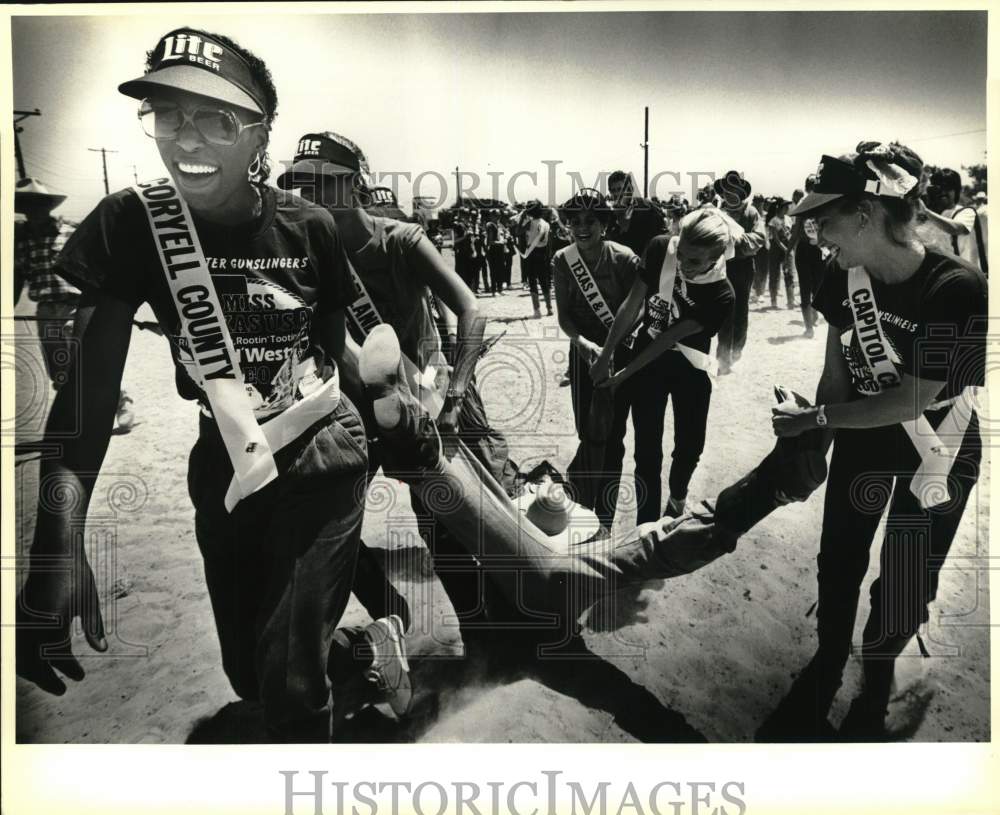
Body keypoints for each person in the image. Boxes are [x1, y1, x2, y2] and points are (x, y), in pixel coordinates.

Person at [14, 28, 409, 742]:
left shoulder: (309, 226)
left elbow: (335, 348)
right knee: (249, 674)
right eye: (169, 115)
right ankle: (365, 645)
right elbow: (88, 398)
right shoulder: (133, 224)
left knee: (288, 683)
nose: (187, 138)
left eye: (216, 119)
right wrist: (56, 545)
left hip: (322, 451)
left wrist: (389, 391)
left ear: (259, 134)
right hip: (223, 460)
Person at [758, 141, 986, 741]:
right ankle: (830, 656)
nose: (814, 232)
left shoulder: (957, 288)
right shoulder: (842, 272)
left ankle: (877, 675)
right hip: (863, 433)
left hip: (936, 443)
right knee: (839, 558)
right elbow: (837, 366)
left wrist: (816, 421)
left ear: (865, 213)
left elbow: (912, 398)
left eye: (823, 219)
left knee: (905, 577)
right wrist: (816, 446)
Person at [277, 131, 519, 641]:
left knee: (449, 517)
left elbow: (470, 308)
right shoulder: (306, 254)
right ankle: (389, 605)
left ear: (357, 185)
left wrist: (454, 398)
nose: (310, 196)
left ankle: (490, 631)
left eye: (325, 184)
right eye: (301, 185)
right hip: (359, 408)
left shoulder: (400, 241)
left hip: (429, 398)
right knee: (315, 514)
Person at [593, 208, 735, 521]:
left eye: (695, 261)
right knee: (647, 453)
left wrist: (622, 375)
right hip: (648, 369)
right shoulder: (660, 248)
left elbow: (667, 339)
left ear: (718, 255)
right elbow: (632, 305)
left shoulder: (722, 294)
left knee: (689, 448)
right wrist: (606, 356)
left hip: (689, 369)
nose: (683, 265)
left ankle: (678, 496)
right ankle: (647, 528)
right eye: (681, 254)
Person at [14, 178, 135, 429]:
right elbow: (15, 277)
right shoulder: (19, 239)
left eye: (38, 204)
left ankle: (122, 403)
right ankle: (76, 417)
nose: (32, 210)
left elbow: (99, 260)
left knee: (88, 359)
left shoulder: (70, 229)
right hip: (45, 310)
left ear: (48, 206)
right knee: (59, 369)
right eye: (26, 205)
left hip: (75, 304)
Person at [552, 189, 639, 536]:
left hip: (621, 354)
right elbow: (564, 317)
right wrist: (585, 345)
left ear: (605, 224)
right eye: (575, 221)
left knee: (613, 436)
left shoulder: (625, 259)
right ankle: (584, 505)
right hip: (584, 354)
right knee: (588, 432)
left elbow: (639, 309)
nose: (582, 228)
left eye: (591, 221)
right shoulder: (562, 259)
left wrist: (610, 349)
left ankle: (602, 518)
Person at [711, 170, 766, 373]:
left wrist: (738, 239)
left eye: (734, 189)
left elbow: (759, 238)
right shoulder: (718, 212)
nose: (729, 194)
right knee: (724, 309)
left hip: (742, 266)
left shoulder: (750, 212)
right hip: (722, 266)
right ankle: (723, 356)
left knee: (740, 309)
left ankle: (737, 349)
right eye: (726, 190)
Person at [924, 167, 988, 275]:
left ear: (956, 190)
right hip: (943, 279)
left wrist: (925, 211)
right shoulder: (929, 217)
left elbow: (956, 228)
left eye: (947, 187)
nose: (942, 192)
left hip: (969, 278)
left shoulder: (965, 212)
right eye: (938, 188)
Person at [788, 177, 828, 337]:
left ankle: (811, 321)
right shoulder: (810, 205)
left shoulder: (819, 205)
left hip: (814, 250)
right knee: (810, 288)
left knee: (813, 288)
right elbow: (796, 230)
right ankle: (809, 325)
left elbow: (796, 232)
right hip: (810, 250)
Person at [606, 170, 667, 256]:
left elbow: (660, 240)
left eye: (620, 189)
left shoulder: (647, 208)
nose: (617, 193)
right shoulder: (611, 215)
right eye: (613, 190)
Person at [520, 200, 551, 317]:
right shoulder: (546, 223)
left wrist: (523, 217)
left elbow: (518, 231)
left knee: (532, 280)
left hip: (532, 253)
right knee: (544, 281)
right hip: (543, 253)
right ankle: (549, 308)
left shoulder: (530, 223)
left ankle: (537, 310)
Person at [766, 197, 795, 309]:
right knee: (774, 274)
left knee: (789, 274)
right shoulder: (773, 221)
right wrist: (785, 249)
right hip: (776, 249)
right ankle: (774, 301)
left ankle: (790, 301)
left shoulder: (788, 219)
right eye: (786, 206)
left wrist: (789, 249)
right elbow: (776, 239)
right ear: (780, 208)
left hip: (787, 248)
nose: (788, 208)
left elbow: (791, 234)